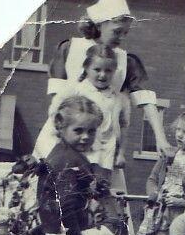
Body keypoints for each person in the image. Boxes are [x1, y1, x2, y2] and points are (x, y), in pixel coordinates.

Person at [47, 0, 173, 157]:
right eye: (117, 31)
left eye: (125, 33)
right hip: (66, 136)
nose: (121, 37)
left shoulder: (125, 60)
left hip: (103, 144)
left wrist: (161, 139)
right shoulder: (70, 49)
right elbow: (56, 96)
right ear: (100, 24)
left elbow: (146, 100)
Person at [35, 96, 132, 235]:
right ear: (61, 126)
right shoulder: (69, 161)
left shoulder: (65, 154)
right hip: (66, 231)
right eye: (78, 130)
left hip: (51, 228)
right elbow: (66, 207)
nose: (85, 137)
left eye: (91, 131)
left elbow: (87, 183)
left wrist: (107, 191)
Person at [34, 44, 126, 184]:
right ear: (86, 68)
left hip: (105, 147)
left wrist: (120, 152)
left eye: (108, 71)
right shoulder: (77, 89)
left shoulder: (117, 98)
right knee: (75, 178)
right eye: (97, 69)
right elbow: (56, 107)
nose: (102, 75)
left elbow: (120, 127)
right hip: (79, 143)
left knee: (99, 184)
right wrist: (60, 129)